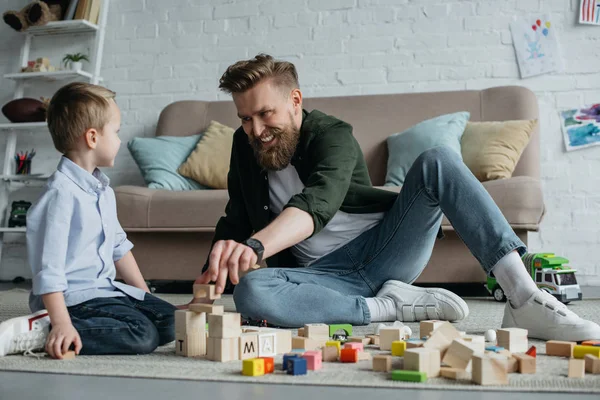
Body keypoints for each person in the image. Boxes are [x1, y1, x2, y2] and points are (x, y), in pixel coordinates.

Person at [195, 53, 600, 341]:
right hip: (324, 279)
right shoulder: (243, 146)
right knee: (251, 293)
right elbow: (234, 219)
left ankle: (523, 296)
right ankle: (388, 307)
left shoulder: (330, 133)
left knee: (438, 160)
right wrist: (206, 288)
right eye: (246, 119)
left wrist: (257, 244)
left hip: (384, 249)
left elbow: (319, 202)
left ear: (295, 101)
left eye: (266, 114)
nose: (256, 129)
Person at [0, 83, 176, 358]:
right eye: (116, 132)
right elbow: (49, 270)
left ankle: (107, 321)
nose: (119, 140)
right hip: (73, 300)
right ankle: (43, 330)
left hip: (105, 292)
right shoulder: (60, 195)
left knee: (173, 322)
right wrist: (61, 323)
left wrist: (147, 300)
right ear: (92, 138)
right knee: (142, 335)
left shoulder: (102, 189)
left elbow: (119, 246)